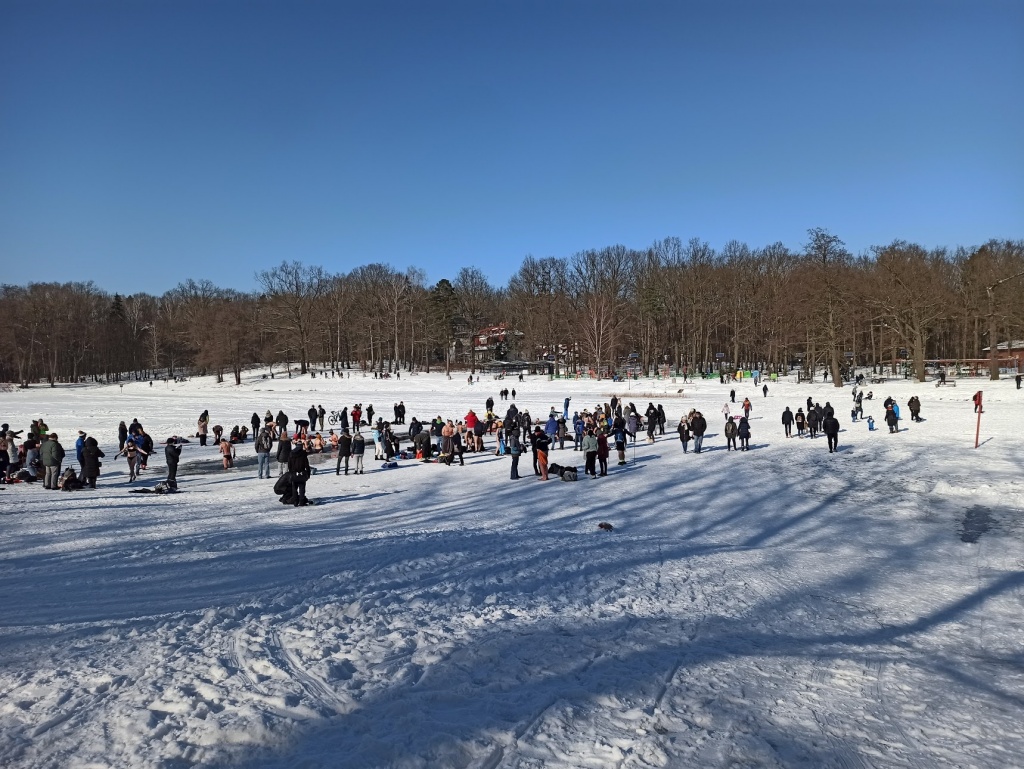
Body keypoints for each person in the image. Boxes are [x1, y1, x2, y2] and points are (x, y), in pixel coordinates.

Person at [286, 439, 311, 506]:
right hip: (302, 473)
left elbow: (289, 464)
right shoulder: (303, 454)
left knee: (294, 488)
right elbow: (306, 465)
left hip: (294, 473)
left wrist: (291, 472)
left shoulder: (291, 453)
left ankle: (295, 501)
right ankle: (301, 502)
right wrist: (308, 473)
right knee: (302, 488)